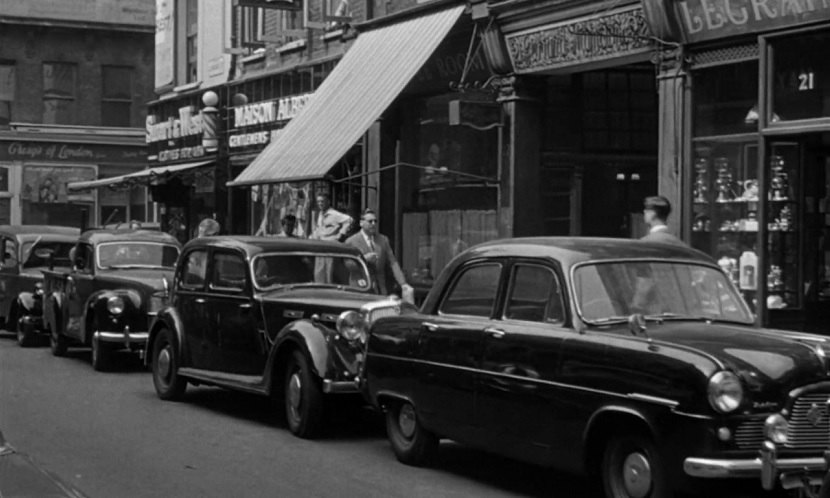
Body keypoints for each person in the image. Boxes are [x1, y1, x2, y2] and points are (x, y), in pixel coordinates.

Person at [346, 208, 412, 296]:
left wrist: (403, 283)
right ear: (361, 223)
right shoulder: (351, 241)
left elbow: (393, 262)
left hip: (380, 289)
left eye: (375, 221)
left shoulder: (383, 240)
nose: (373, 224)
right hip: (360, 289)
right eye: (370, 221)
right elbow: (348, 265)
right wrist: (364, 259)